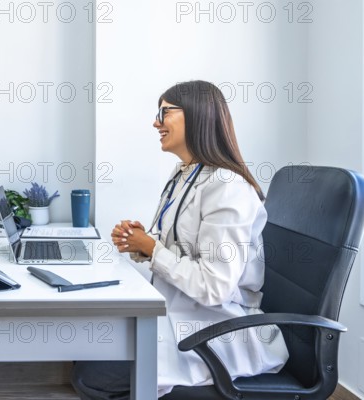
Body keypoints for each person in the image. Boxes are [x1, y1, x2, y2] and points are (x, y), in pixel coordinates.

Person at [71, 80, 289, 399]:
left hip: (216, 327)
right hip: (178, 312)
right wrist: (140, 243)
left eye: (164, 112)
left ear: (197, 116)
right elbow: (172, 248)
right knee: (90, 351)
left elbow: (215, 287)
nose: (155, 122)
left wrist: (152, 249)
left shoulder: (228, 187)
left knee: (95, 374)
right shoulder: (183, 175)